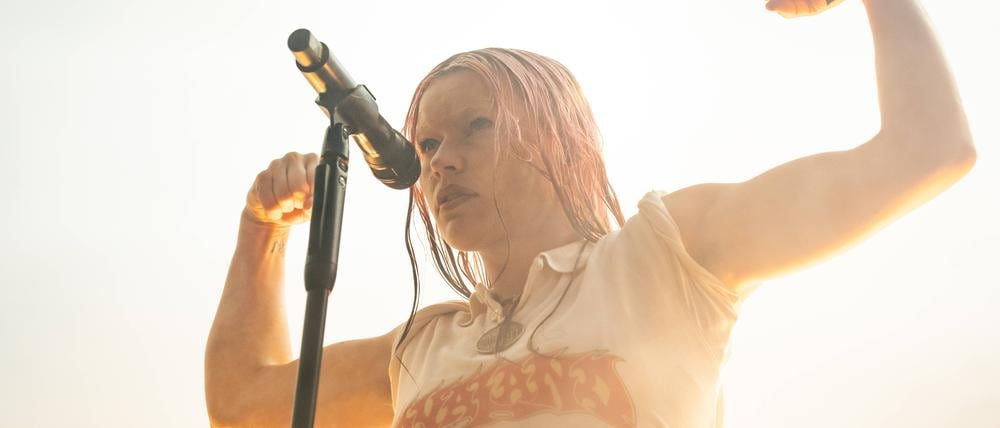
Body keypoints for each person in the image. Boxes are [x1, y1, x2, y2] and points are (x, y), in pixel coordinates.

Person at [205, 0, 977, 426]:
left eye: (476, 126)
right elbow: (243, 407)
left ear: (554, 137)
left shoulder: (668, 257)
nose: (440, 160)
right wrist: (262, 231)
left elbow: (928, 150)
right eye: (429, 140)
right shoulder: (422, 348)